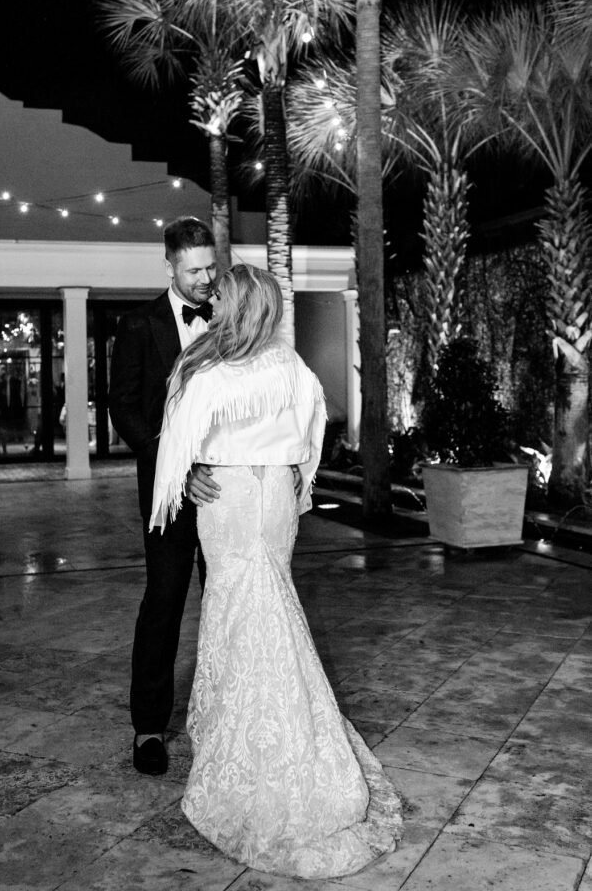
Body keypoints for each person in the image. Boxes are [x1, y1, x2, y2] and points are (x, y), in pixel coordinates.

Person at [149, 263, 403, 880]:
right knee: (272, 601)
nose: (211, 302)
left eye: (221, 297)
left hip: (229, 501)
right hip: (275, 504)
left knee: (236, 607)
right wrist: (297, 475)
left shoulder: (205, 370)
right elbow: (315, 427)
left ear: (236, 307)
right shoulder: (291, 368)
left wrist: (185, 475)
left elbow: (174, 444)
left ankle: (251, 745)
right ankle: (284, 736)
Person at [109, 216, 220, 777]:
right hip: (168, 493)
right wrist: (175, 464)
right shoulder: (138, 325)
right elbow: (123, 407)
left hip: (226, 487)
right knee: (165, 603)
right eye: (194, 269)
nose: (206, 278)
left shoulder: (231, 315)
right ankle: (149, 728)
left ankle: (229, 718)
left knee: (227, 603)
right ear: (170, 265)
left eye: (210, 266)